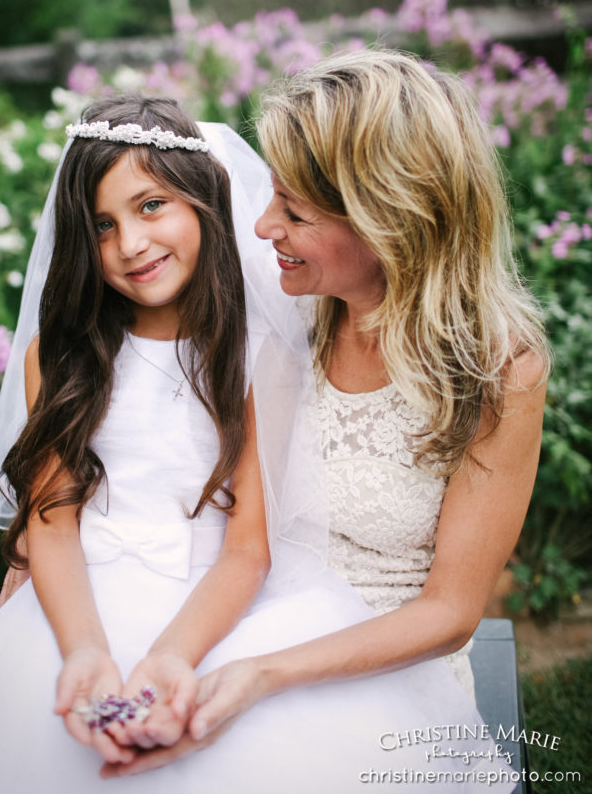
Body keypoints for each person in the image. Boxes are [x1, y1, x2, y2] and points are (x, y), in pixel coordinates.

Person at [0, 93, 518, 793]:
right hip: (73, 612)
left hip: (210, 610)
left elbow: (247, 546)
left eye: (150, 207)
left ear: (202, 201)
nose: (129, 244)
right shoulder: (62, 355)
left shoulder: (255, 355)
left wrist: (172, 656)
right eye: (100, 225)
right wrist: (80, 650)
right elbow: (51, 519)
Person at [102, 50, 547, 786]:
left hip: (380, 668)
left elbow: (449, 612)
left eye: (295, 211)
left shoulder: (496, 370)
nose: (263, 225)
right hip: (235, 614)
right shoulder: (281, 316)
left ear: (388, 220)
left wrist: (262, 674)